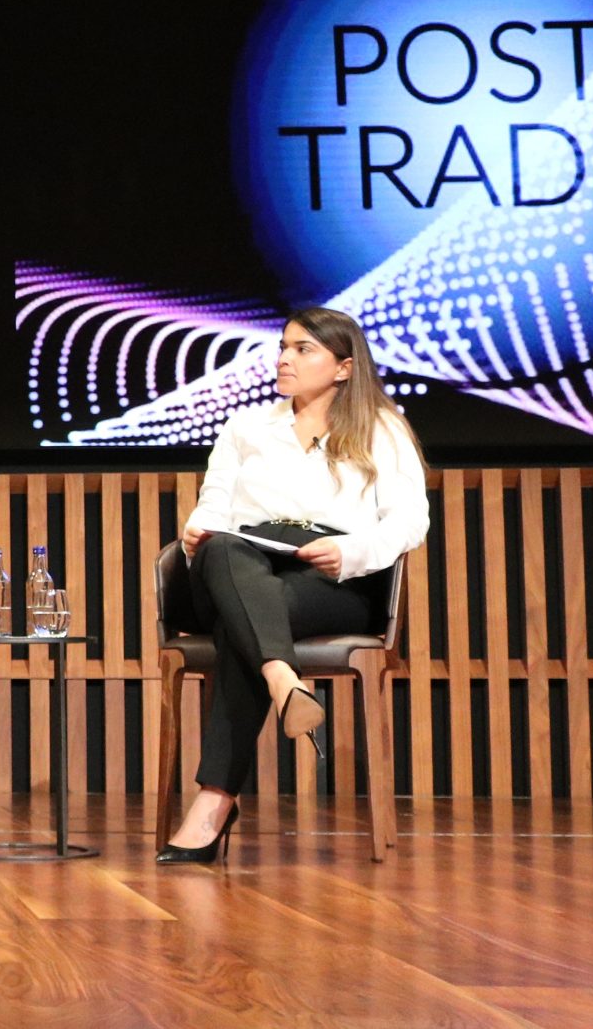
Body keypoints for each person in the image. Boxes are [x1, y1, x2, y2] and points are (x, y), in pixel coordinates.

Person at [157, 306, 428, 865]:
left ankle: (214, 803)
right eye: (283, 346)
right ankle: (284, 681)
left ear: (344, 368)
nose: (284, 358)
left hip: (327, 579)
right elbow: (214, 504)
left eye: (303, 349)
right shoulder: (247, 428)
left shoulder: (382, 429)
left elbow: (408, 522)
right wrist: (196, 531)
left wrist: (350, 551)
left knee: (246, 625)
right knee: (225, 551)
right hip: (240, 561)